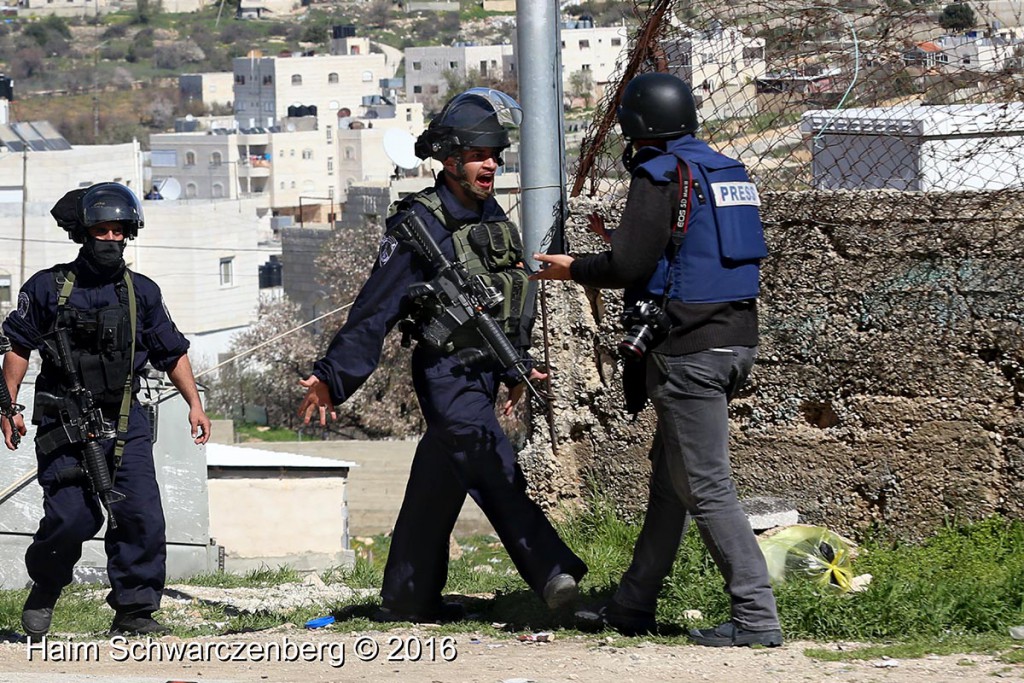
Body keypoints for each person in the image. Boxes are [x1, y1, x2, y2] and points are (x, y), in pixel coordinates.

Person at [298, 88, 587, 622]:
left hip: (486, 370)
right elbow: (374, 308)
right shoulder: (419, 224)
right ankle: (553, 571)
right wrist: (331, 378)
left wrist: (514, 367)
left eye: (496, 155)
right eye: (481, 155)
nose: (492, 165)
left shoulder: (490, 215)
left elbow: (506, 296)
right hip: (447, 372)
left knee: (441, 476)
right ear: (451, 160)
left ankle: (409, 595)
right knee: (490, 461)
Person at [531, 72, 783, 647]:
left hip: (688, 350)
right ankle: (632, 605)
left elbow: (627, 268)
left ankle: (756, 618)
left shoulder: (658, 172)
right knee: (672, 483)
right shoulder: (725, 171)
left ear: (636, 126)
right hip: (735, 342)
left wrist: (574, 267)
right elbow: (687, 247)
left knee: (708, 486)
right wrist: (621, 240)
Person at [1, 182, 211, 639]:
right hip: (62, 419)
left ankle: (134, 611)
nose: (111, 239)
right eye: (102, 230)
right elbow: (18, 347)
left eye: (119, 231)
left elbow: (171, 353)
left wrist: (195, 403)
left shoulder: (142, 294)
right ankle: (47, 584)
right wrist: (8, 405)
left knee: (139, 515)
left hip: (123, 419)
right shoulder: (45, 288)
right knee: (72, 517)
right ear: (84, 233)